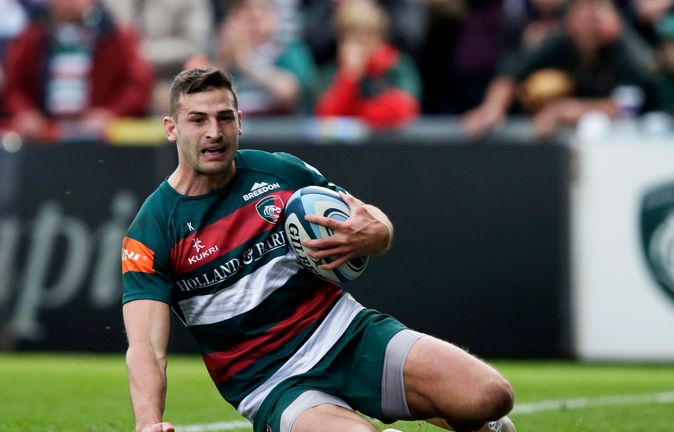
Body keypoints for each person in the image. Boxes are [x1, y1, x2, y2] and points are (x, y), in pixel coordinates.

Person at [121, 66, 515, 432]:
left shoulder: (279, 172)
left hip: (348, 333)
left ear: (240, 121)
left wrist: (374, 234)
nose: (214, 132)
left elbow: (367, 217)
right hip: (272, 385)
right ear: (172, 128)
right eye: (198, 120)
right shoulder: (152, 230)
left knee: (492, 397)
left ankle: (476, 423)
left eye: (224, 117)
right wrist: (148, 422)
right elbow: (146, 348)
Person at [461, 0, 657, 138]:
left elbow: (628, 105)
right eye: (584, 10)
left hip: (635, 139)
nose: (591, 19)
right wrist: (493, 106)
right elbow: (513, 70)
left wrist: (569, 110)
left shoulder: (627, 50)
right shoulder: (561, 41)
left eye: (597, 10)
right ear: (571, 18)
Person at [2, 0, 153, 140]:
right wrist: (25, 112)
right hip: (45, 136)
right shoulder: (33, 34)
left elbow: (138, 84)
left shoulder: (115, 33)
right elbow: (13, 83)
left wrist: (112, 113)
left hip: (99, 139)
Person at [190, 0, 315, 116]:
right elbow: (198, 97)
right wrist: (224, 62)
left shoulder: (287, 51)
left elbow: (289, 94)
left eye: (262, 9)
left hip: (279, 132)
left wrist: (245, 62)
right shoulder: (220, 54)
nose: (255, 16)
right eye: (244, 10)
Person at [314, 0, 421, 130]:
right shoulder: (331, 72)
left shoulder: (396, 66)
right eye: (354, 39)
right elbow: (326, 119)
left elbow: (403, 109)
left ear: (380, 36)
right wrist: (349, 77)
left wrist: (355, 117)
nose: (362, 47)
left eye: (368, 36)